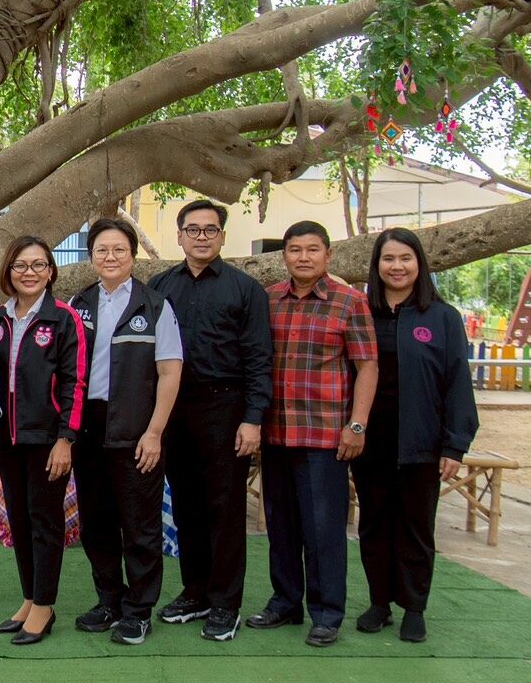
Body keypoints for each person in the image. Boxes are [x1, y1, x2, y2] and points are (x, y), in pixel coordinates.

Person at [247, 220, 377, 648]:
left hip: (325, 437)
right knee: (280, 526)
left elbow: (367, 367)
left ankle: (327, 613)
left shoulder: (350, 302)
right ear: (283, 255)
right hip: (276, 434)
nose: (303, 257)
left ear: (328, 255)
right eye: (295, 250)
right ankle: (286, 602)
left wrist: (357, 424)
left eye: (312, 249)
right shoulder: (268, 300)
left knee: (323, 530)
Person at [149, 199, 273, 642]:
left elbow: (259, 359)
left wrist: (252, 419)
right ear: (179, 236)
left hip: (226, 410)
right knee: (186, 506)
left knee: (224, 509)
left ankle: (225, 603)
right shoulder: (160, 286)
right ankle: (195, 592)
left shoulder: (246, 290)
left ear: (222, 235)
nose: (201, 237)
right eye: (193, 229)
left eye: (210, 229)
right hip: (174, 410)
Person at [354, 228, 477, 643]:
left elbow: (457, 382)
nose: (397, 267)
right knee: (374, 523)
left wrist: (455, 444)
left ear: (419, 264)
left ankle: (414, 607)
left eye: (405, 258)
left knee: (417, 527)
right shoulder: (362, 313)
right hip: (370, 440)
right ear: (376, 265)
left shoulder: (442, 317)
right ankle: (379, 603)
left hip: (421, 442)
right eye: (388, 259)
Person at [68, 217, 183, 646]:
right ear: (91, 257)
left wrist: (155, 432)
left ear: (133, 256)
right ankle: (109, 601)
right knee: (96, 523)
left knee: (139, 525)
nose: (110, 257)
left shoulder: (155, 306)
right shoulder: (79, 304)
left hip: (137, 430)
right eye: (102, 250)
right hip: (88, 428)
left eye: (119, 249)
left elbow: (170, 372)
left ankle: (138, 609)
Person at [0, 236, 87, 646]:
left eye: (38, 265)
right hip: (7, 438)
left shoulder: (63, 318)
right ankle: (29, 598)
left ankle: (45, 605)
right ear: (9, 271)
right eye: (21, 265)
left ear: (50, 271)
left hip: (48, 440)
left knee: (44, 521)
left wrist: (66, 438)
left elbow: (75, 383)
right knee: (20, 520)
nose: (29, 273)